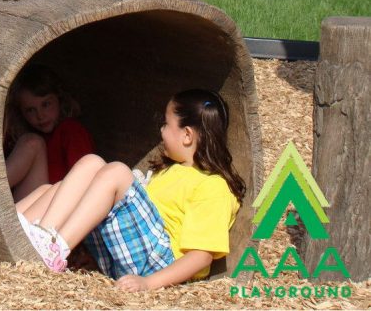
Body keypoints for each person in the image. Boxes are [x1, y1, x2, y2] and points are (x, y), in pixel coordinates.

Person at [16, 89, 247, 292]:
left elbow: (200, 256)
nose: (162, 131)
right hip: (132, 255)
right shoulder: (170, 171)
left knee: (115, 171)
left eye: (166, 124)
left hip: (159, 265)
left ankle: (53, 248)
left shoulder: (212, 186)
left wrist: (150, 283)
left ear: (187, 135)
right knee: (69, 179)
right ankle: (20, 233)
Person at [4, 64, 95, 201]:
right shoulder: (23, 139)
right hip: (27, 207)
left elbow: (87, 183)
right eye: (30, 110)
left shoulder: (70, 131)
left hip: (58, 208)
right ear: (21, 113)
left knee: (32, 143)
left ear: (59, 99)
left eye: (46, 104)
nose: (40, 116)